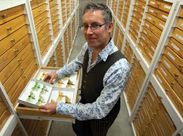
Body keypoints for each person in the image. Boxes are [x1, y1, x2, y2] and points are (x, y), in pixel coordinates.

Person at [40, 2, 130, 136]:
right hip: (85, 101)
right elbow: (77, 62)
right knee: (80, 129)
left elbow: (99, 110)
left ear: (109, 27)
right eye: (85, 26)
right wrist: (57, 73)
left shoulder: (119, 68)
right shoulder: (89, 46)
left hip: (101, 116)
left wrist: (59, 107)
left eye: (95, 25)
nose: (88, 32)